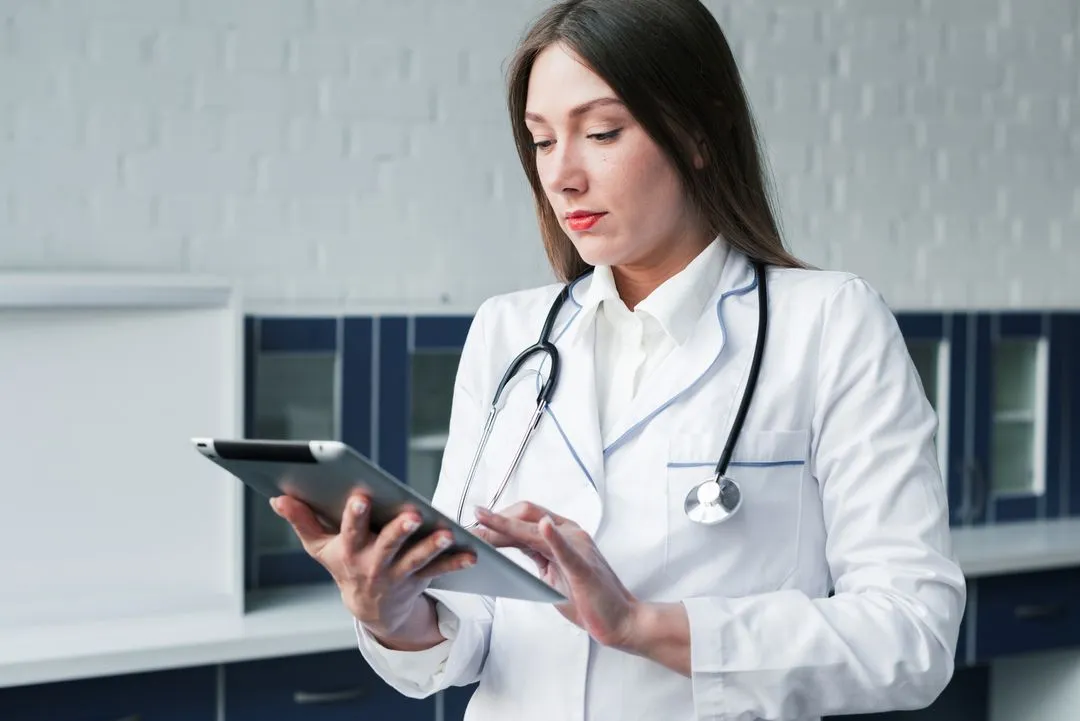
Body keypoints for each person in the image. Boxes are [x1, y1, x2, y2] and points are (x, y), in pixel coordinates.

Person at [270, 0, 967, 718]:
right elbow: (465, 628)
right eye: (541, 141)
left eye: (601, 132)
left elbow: (911, 636)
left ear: (698, 132)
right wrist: (390, 606)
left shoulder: (827, 323)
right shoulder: (508, 334)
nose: (562, 176)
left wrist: (642, 624)